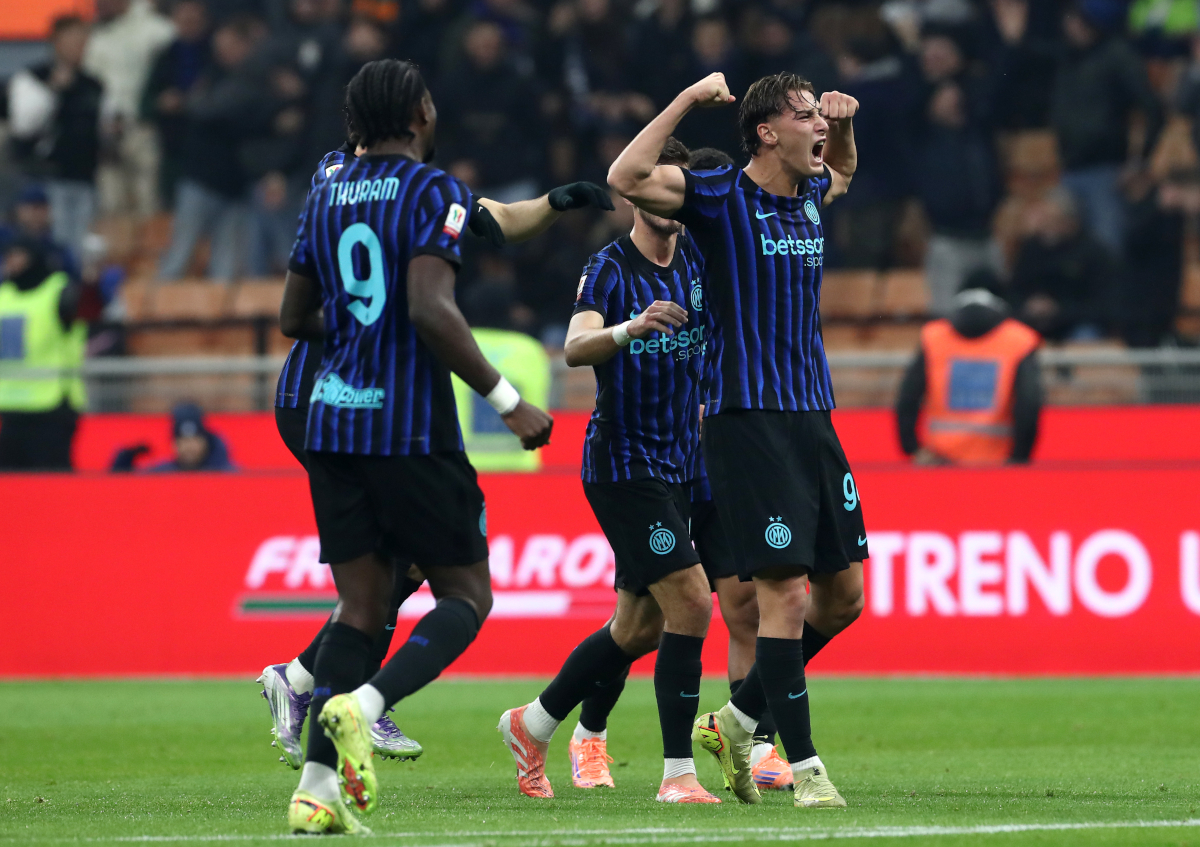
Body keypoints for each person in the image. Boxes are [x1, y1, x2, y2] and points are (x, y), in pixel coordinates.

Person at [260, 138, 613, 774]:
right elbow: (409, 295)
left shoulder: (390, 181)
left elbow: (495, 219)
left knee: (399, 570)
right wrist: (505, 400)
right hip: (334, 397)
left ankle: (325, 701)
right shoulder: (358, 181)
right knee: (403, 571)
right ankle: (337, 695)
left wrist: (557, 203)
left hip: (354, 399)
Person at [276, 59, 554, 834]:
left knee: (358, 607)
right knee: (467, 593)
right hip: (405, 427)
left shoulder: (325, 189)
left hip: (330, 423)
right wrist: (507, 399)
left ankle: (315, 789)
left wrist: (364, 326)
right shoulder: (434, 190)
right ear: (422, 113)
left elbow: (296, 317)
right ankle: (364, 705)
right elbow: (432, 308)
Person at [608, 72, 867, 809]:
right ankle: (805, 767)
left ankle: (736, 717)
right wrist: (688, 100)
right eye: (806, 114)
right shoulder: (719, 196)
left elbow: (842, 168)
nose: (819, 124)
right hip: (745, 420)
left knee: (842, 597)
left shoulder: (810, 195)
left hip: (813, 417)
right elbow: (623, 176)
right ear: (765, 131)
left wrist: (842, 128)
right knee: (782, 592)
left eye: (821, 113)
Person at [498, 137, 724, 805]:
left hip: (684, 461)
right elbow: (572, 346)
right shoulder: (608, 269)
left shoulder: (698, 259)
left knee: (638, 626)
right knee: (689, 600)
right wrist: (631, 328)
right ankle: (678, 773)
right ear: (632, 194)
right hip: (625, 465)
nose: (667, 205)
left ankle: (532, 722)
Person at [895, 272, 1043, 466]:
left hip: (940, 462)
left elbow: (908, 396)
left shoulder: (934, 337)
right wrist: (1020, 456)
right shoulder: (1020, 340)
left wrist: (912, 448)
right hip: (997, 463)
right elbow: (1028, 402)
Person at [6, 16, 103, 259]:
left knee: (79, 248)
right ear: (55, 42)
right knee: (47, 246)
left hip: (84, 177)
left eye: (82, 40)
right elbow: (24, 126)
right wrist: (53, 91)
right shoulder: (32, 78)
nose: (78, 46)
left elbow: (101, 126)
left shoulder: (93, 84)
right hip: (44, 177)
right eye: (71, 39)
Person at [83, 0, 175, 221]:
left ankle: (149, 256)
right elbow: (91, 83)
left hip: (143, 128)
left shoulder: (157, 30)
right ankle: (116, 255)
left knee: (148, 201)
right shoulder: (96, 36)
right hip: (106, 129)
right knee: (111, 204)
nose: (100, 5)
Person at [0, 238, 87, 471]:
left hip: (52, 408)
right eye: (8, 256)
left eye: (18, 255)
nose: (11, 262)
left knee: (51, 486)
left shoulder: (61, 292)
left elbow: (92, 310)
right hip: (10, 409)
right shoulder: (4, 293)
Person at [110, 402, 236, 471]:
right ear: (174, 444)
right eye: (183, 441)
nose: (189, 447)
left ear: (205, 442)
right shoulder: (164, 472)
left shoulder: (220, 473)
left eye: (195, 440)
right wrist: (124, 460)